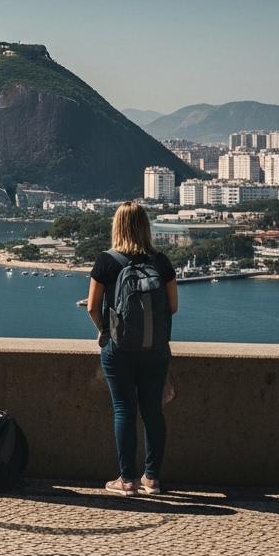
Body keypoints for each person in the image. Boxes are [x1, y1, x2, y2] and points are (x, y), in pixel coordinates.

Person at [86, 201, 178, 496]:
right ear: (145, 226)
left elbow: (91, 306)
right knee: (153, 411)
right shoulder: (161, 262)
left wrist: (105, 330)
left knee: (124, 409)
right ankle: (152, 478)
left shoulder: (106, 261)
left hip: (119, 348)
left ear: (117, 226)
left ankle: (126, 481)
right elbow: (173, 306)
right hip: (155, 349)